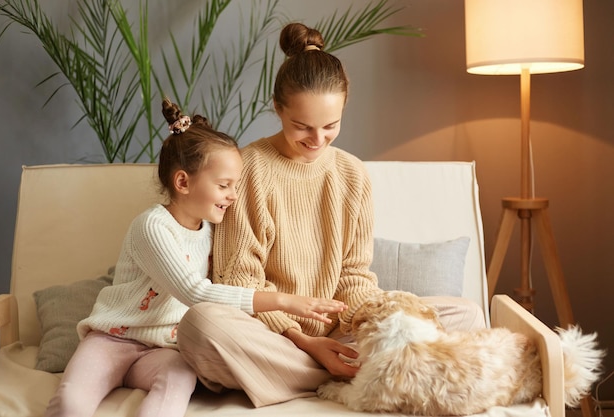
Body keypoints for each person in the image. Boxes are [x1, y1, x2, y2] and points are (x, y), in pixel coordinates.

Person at [177, 23, 485, 408]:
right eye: (301, 126)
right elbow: (240, 281)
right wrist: (306, 341)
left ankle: (322, 374)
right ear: (278, 108)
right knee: (202, 326)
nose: (317, 140)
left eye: (330, 126)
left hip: (341, 336)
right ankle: (346, 376)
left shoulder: (352, 174)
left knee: (467, 315)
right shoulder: (250, 167)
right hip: (274, 337)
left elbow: (354, 276)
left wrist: (373, 322)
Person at [44, 98, 347, 417]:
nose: (233, 195)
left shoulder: (212, 229)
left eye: (235, 186)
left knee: (175, 388)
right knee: (71, 404)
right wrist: (283, 301)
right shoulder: (152, 226)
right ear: (183, 182)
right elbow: (195, 293)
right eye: (224, 185)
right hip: (113, 341)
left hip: (166, 348)